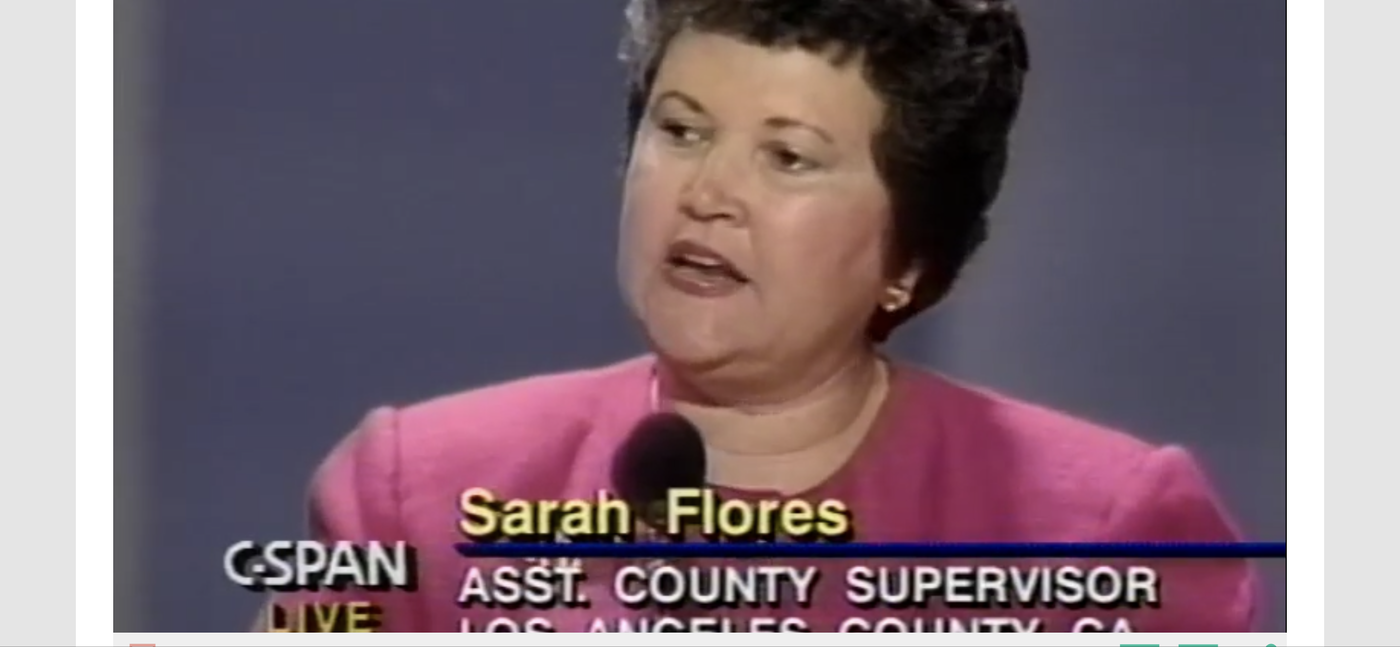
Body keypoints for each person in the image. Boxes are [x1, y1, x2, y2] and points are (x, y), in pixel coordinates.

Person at [260, 0, 1258, 632]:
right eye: (680, 130)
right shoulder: (412, 491)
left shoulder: (1103, 531)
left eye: (786, 157)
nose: (706, 191)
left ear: (907, 256)